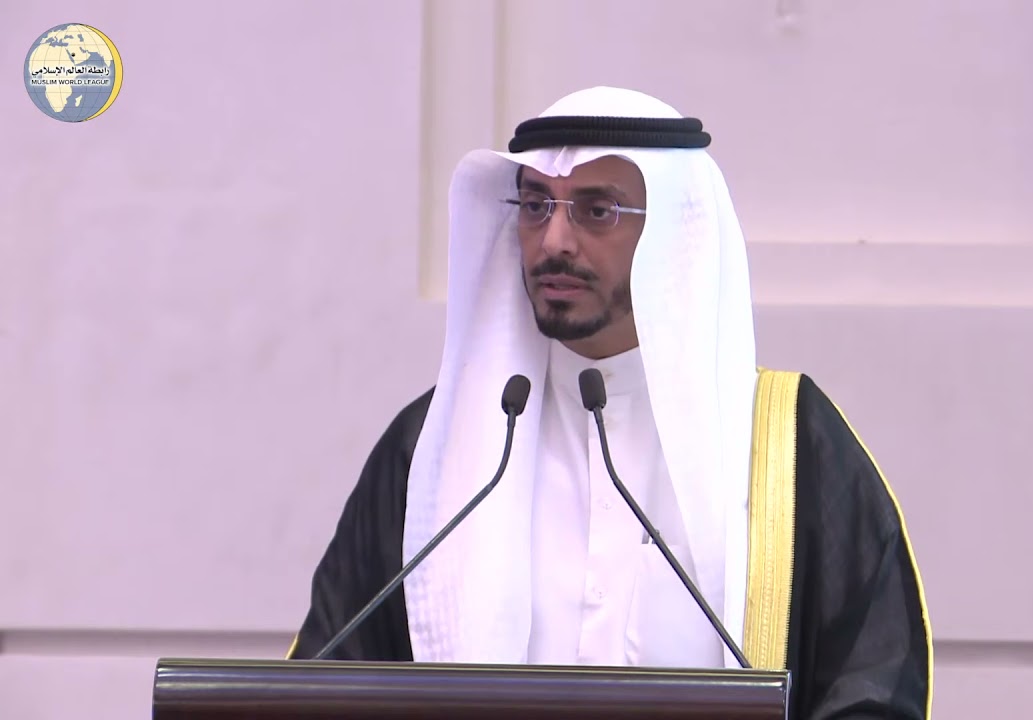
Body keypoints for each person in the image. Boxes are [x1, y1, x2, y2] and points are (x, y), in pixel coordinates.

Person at [287, 86, 933, 719]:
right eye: (536, 205)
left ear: (675, 231)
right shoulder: (438, 446)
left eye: (597, 211)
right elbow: (327, 677)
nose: (554, 241)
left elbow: (871, 686)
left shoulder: (786, 445)